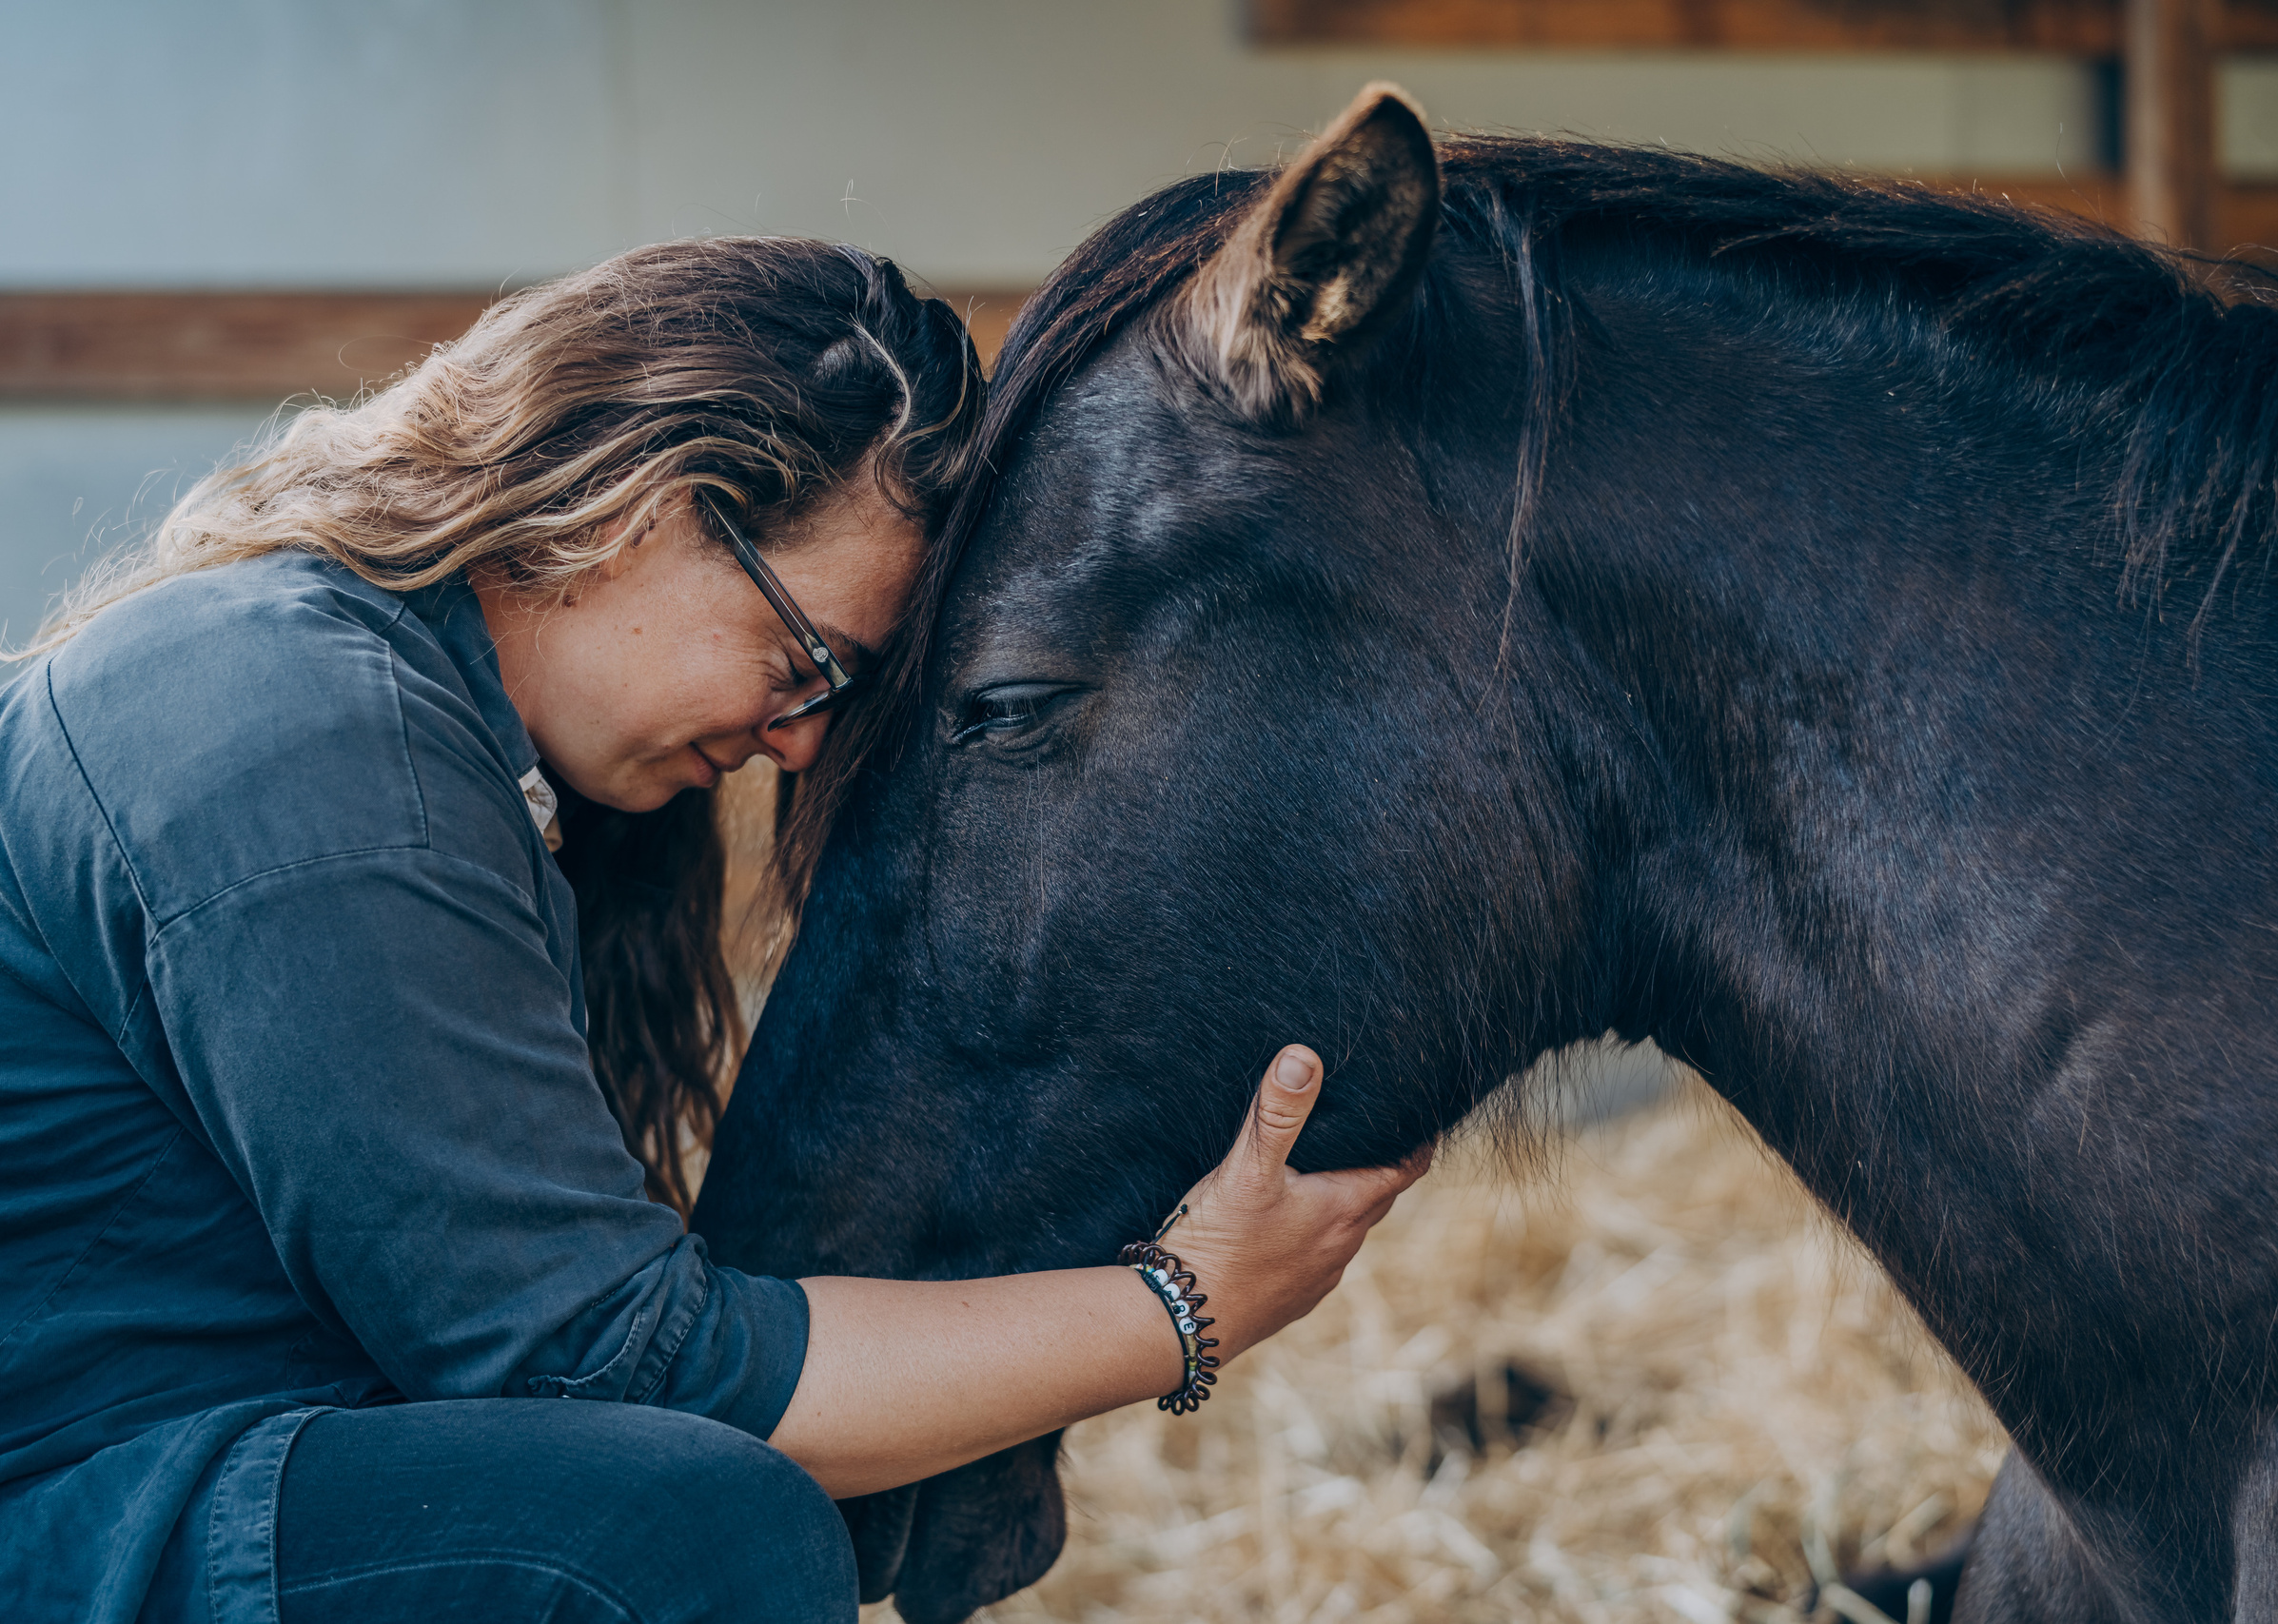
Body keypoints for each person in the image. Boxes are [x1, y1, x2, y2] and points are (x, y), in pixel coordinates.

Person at [0, 238, 1427, 1624]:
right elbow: (598, 1367)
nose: (802, 744)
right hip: (61, 1512)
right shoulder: (296, 728)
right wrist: (1182, 1306)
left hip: (163, 1474)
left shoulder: (408, 726)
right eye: (811, 664)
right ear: (653, 505)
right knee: (673, 1531)